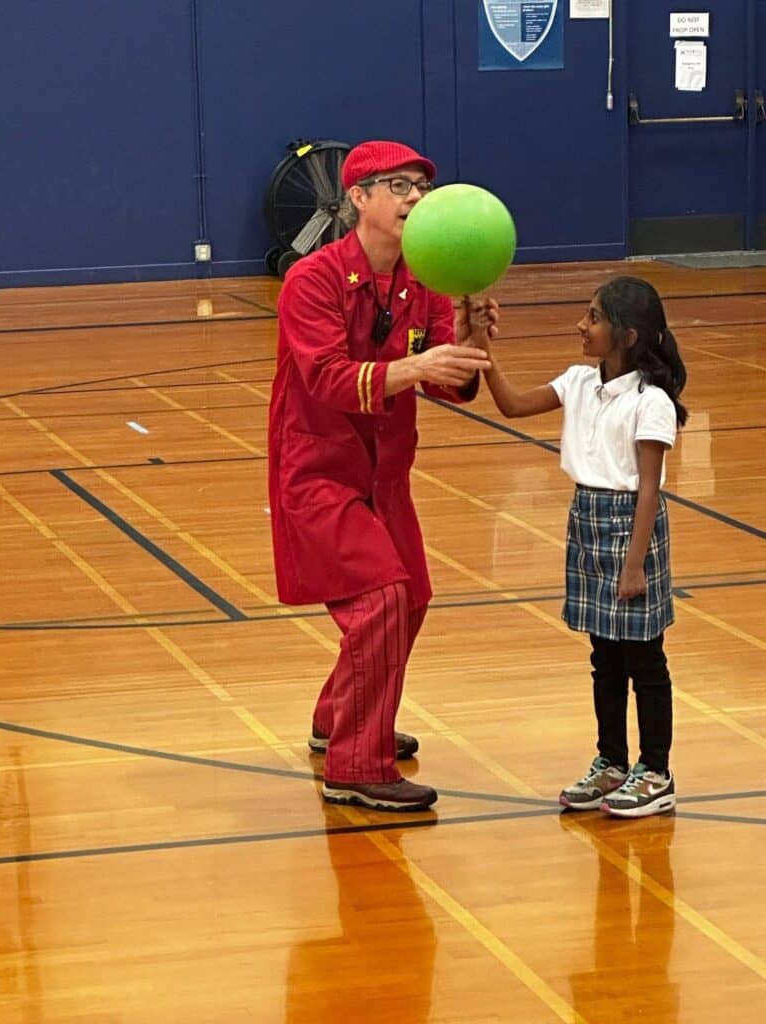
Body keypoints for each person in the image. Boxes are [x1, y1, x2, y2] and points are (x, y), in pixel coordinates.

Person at [267, 139, 497, 812]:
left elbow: (449, 384)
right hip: (318, 471)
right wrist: (417, 369)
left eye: (421, 186)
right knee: (381, 600)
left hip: (386, 474)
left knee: (412, 596)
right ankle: (354, 765)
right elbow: (329, 378)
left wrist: (466, 336)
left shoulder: (422, 283)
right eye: (397, 186)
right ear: (357, 200)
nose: (415, 198)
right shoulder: (310, 281)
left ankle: (338, 713)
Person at [477, 276, 687, 818]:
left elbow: (648, 488)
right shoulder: (577, 381)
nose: (581, 325)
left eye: (593, 317)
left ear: (628, 334)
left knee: (646, 659)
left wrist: (636, 563)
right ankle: (612, 762)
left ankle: (656, 772)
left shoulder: (651, 402)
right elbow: (513, 405)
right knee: (604, 656)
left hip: (631, 527)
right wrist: (483, 347)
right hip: (586, 519)